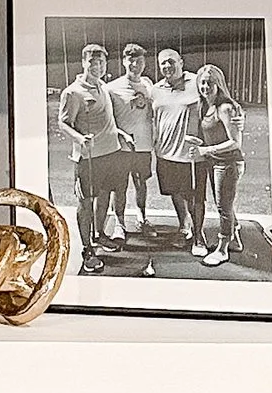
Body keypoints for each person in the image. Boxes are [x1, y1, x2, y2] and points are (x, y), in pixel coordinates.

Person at [55, 39, 125, 261]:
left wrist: (121, 134)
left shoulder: (103, 86)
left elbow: (108, 119)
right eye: (93, 62)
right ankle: (87, 249)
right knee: (85, 202)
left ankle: (100, 234)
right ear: (83, 63)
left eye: (102, 62)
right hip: (88, 158)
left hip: (111, 154)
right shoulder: (73, 92)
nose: (98, 67)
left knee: (104, 195)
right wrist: (78, 137)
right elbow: (63, 123)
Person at [148, 45, 204, 252]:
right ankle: (184, 227)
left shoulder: (196, 81)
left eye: (171, 61)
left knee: (194, 197)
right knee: (175, 193)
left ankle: (199, 238)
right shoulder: (155, 89)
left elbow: (216, 97)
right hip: (165, 153)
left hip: (190, 155)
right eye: (163, 62)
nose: (167, 65)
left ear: (181, 62)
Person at [102, 38, 154, 247]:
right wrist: (122, 134)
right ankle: (119, 224)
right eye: (131, 61)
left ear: (144, 63)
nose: (135, 65)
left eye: (138, 61)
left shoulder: (148, 84)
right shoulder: (112, 88)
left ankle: (142, 218)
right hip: (122, 148)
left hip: (144, 147)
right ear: (124, 62)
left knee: (141, 184)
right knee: (120, 187)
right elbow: (107, 120)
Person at [194, 61, 244, 265]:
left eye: (210, 83)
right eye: (202, 83)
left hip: (228, 163)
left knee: (223, 207)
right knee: (225, 203)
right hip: (215, 163)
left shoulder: (225, 108)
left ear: (218, 84)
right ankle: (236, 240)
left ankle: (223, 249)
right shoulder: (205, 104)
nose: (205, 87)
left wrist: (207, 149)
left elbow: (235, 142)